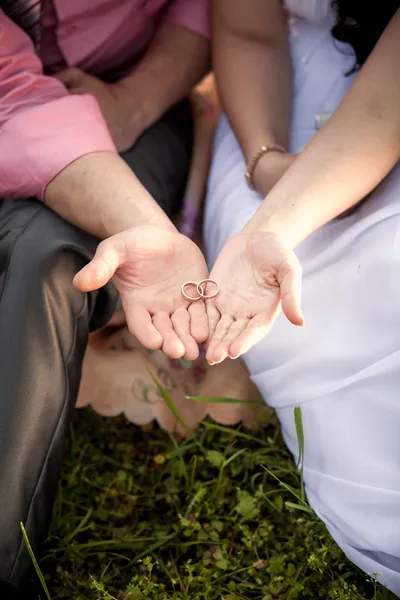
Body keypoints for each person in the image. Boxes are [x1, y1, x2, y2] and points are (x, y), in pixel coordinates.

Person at [0, 1, 210, 597]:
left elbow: (202, 14)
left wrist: (135, 102)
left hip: (134, 104)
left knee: (56, 264)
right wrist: (144, 223)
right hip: (14, 105)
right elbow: (11, 95)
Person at [205, 0, 400, 594]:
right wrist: (266, 167)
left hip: (385, 96)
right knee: (316, 302)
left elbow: (381, 108)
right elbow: (245, 30)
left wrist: (271, 229)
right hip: (283, 95)